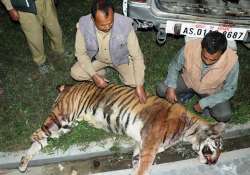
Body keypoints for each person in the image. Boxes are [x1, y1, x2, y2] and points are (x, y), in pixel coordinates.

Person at [71, 0, 147, 103]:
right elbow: (81, 54)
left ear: (114, 15)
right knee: (76, 73)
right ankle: (100, 73)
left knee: (134, 82)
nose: (107, 27)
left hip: (121, 60)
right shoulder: (83, 26)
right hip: (98, 59)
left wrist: (139, 85)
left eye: (110, 23)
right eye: (102, 25)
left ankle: (122, 74)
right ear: (93, 19)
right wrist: (94, 75)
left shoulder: (126, 25)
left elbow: (137, 56)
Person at [156, 31, 239, 122]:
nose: (207, 62)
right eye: (204, 57)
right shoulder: (190, 47)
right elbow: (175, 65)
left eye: (213, 60)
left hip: (212, 90)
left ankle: (205, 104)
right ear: (201, 46)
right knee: (162, 88)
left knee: (224, 115)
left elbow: (229, 90)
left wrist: (204, 103)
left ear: (222, 53)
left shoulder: (232, 61)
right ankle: (186, 95)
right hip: (188, 81)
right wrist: (171, 86)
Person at [1, 0, 64, 74]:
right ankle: (40, 61)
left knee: (54, 27)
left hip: (46, 2)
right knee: (34, 36)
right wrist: (10, 8)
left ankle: (58, 48)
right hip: (24, 7)